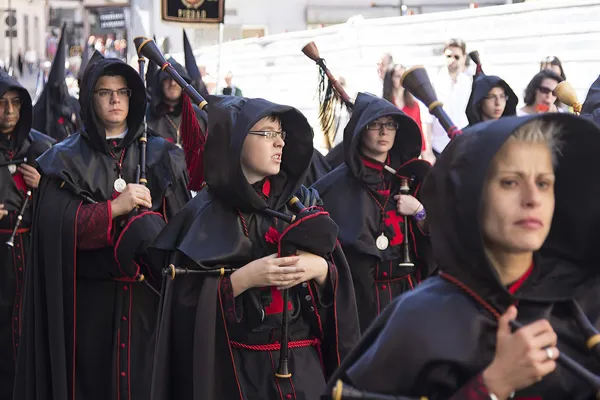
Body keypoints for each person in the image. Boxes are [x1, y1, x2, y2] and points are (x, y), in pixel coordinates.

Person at [323, 113, 600, 399]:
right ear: (471, 196)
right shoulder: (420, 318)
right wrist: (492, 386)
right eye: (509, 182)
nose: (533, 198)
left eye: (543, 183)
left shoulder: (586, 300)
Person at [149, 95, 360, 400]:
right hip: (239, 373)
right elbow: (181, 305)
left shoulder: (302, 203)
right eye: (267, 134)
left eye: (281, 134)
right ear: (236, 141)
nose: (279, 144)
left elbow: (335, 294)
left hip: (306, 369)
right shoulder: (201, 214)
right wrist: (243, 279)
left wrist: (323, 270)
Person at [14, 52, 191, 400]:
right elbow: (55, 229)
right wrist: (113, 210)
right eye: (104, 92)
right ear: (89, 97)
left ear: (133, 97)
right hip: (88, 306)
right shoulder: (62, 158)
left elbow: (181, 234)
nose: (114, 100)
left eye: (122, 92)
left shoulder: (163, 155)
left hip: (147, 304)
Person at [313, 93, 432, 332]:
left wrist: (419, 211)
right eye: (375, 124)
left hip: (409, 293)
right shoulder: (332, 187)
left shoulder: (413, 177)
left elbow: (440, 234)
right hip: (361, 302)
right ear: (360, 129)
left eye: (390, 125)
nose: (383, 132)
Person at [0, 70, 54, 400]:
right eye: (1, 103)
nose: (7, 111)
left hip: (32, 255)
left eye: (14, 104)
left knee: (29, 332)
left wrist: (44, 186)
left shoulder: (43, 149)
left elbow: (68, 204)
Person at [146, 57, 207, 145]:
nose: (172, 83)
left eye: (177, 79)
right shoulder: (148, 116)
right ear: (161, 83)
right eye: (167, 79)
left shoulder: (199, 116)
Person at [383, 63, 435, 163]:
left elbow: (419, 129)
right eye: (398, 76)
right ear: (390, 79)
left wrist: (425, 153)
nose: (402, 80)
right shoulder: (385, 105)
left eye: (404, 76)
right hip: (389, 154)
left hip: (410, 154)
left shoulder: (414, 105)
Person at [431, 38, 472, 156]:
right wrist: (427, 150)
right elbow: (426, 119)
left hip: (461, 139)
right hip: (438, 144)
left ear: (464, 58)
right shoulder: (434, 81)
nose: (452, 60)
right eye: (449, 56)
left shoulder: (467, 81)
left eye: (457, 57)